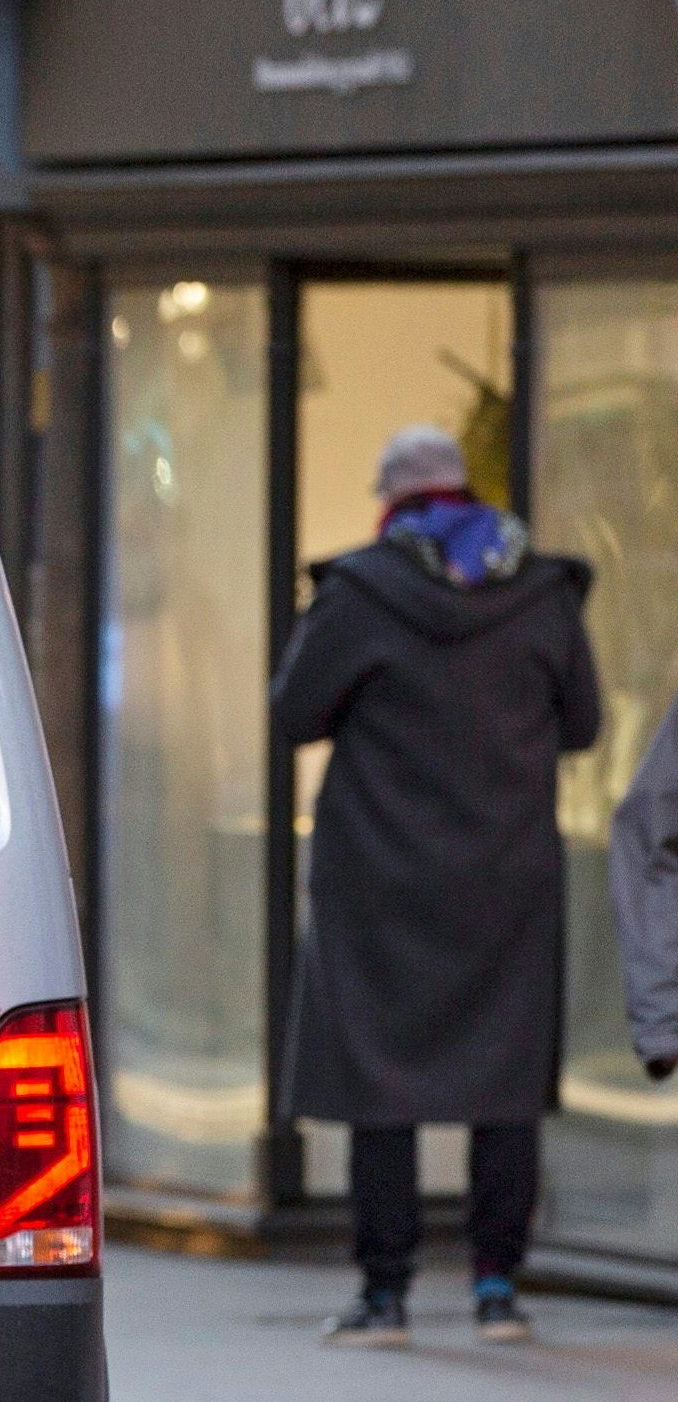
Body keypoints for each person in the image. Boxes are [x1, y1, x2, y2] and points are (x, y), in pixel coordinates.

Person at [275, 422, 603, 1348]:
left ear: (392, 501)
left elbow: (293, 713)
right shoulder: (541, 592)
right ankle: (497, 1287)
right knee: (504, 1078)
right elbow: (582, 725)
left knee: (383, 1080)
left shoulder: (358, 593)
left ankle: (385, 1296)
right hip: (507, 876)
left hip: (379, 877)